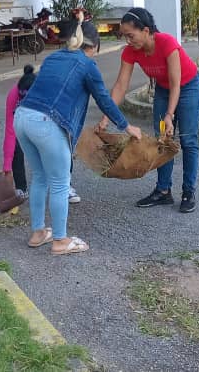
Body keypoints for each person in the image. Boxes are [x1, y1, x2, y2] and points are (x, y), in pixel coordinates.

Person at [15, 14, 143, 255]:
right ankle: (60, 241)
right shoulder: (87, 64)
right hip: (47, 123)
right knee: (60, 183)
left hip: (22, 117)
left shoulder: (53, 57)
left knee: (40, 177)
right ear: (94, 46)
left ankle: (38, 232)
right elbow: (104, 100)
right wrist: (127, 126)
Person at [100, 7, 199, 213]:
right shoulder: (131, 51)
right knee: (161, 140)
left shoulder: (167, 43)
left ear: (146, 31)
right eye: (124, 36)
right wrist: (106, 117)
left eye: (131, 35)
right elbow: (120, 85)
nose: (128, 40)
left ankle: (188, 191)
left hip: (187, 87)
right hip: (164, 90)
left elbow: (176, 84)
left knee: (188, 140)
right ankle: (163, 191)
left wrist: (169, 115)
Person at [3, 65, 83, 203]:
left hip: (49, 120)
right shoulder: (13, 95)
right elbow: (10, 131)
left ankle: (65, 185)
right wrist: (7, 167)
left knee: (61, 147)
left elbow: (63, 124)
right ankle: (21, 188)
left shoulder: (51, 94)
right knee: (16, 146)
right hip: (26, 121)